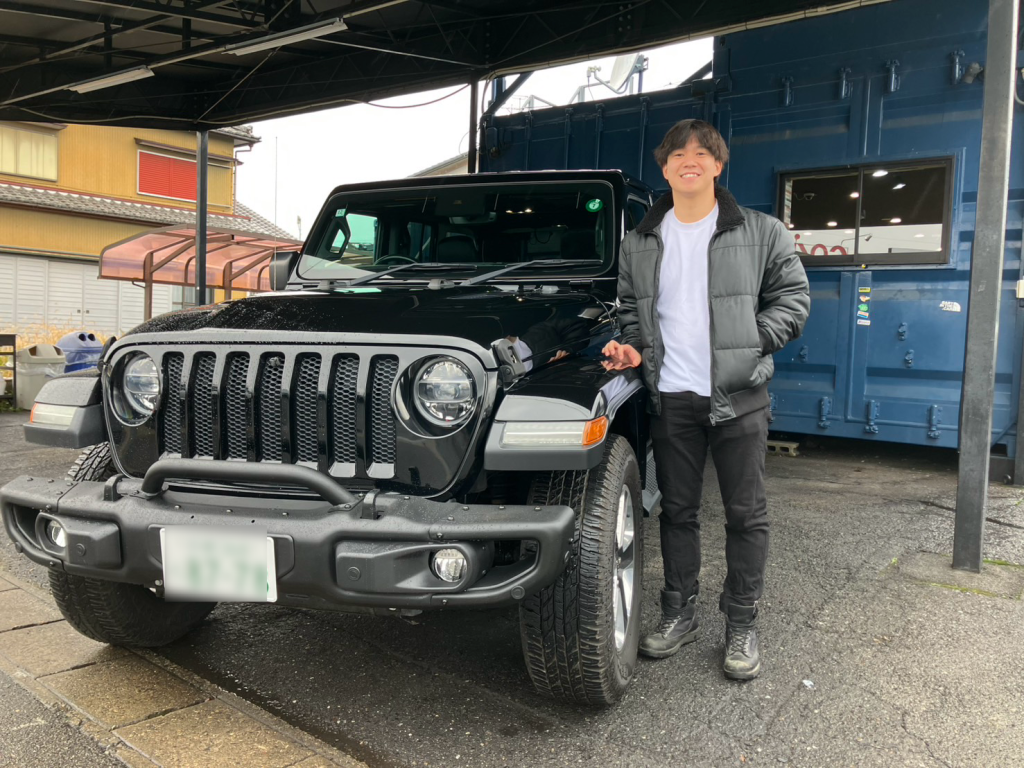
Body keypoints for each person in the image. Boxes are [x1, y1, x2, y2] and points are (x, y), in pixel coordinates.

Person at [602, 119, 809, 680]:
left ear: (718, 165)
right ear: (664, 167)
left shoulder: (762, 231)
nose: (687, 161)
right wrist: (634, 349)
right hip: (671, 397)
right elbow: (630, 310)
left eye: (700, 153)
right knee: (677, 512)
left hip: (739, 396)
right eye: (676, 154)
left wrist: (750, 343)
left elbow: (793, 300)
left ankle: (741, 622)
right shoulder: (640, 241)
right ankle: (679, 613)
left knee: (746, 515)